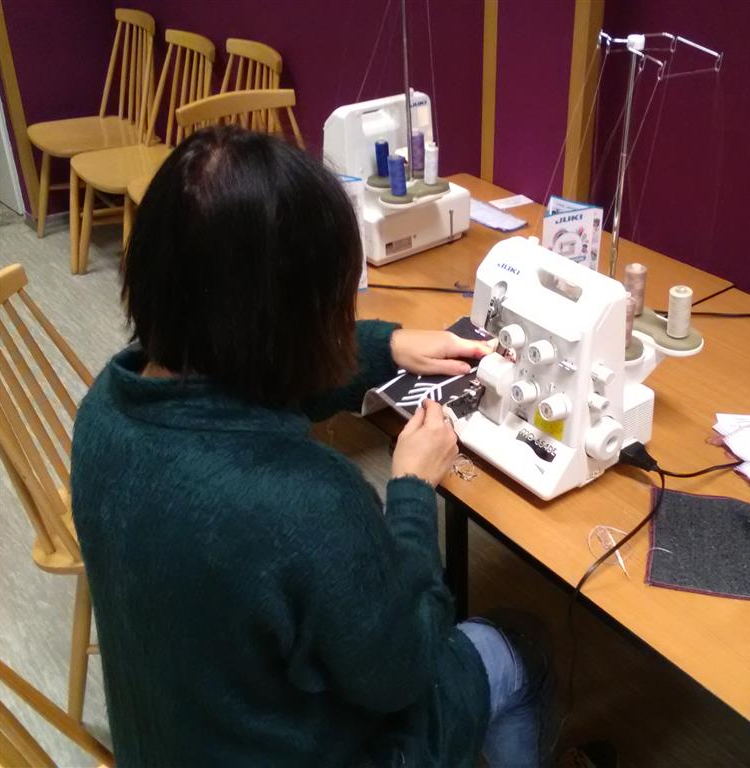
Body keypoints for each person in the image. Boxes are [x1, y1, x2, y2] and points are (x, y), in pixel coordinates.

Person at [71, 125, 586, 767]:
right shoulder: (306, 501)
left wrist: (384, 347)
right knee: (520, 642)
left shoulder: (105, 410)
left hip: (171, 740)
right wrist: (410, 492)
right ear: (297, 320)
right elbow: (403, 668)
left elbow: (239, 395)